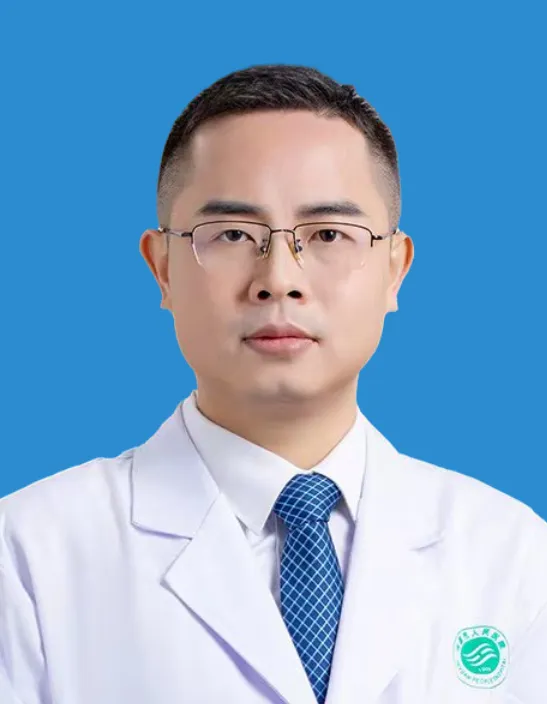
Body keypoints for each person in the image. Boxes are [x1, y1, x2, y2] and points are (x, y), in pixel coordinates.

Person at [0, 64, 545, 704]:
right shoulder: (27, 556)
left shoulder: (512, 555)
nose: (279, 279)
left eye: (329, 234)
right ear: (163, 268)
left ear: (395, 270)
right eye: (233, 234)